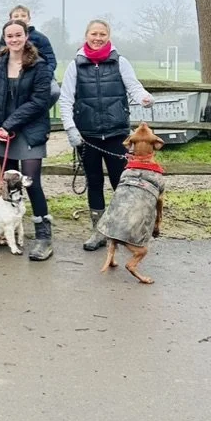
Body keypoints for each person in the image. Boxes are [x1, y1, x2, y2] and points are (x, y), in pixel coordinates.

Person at [59, 18, 153, 251]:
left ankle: (122, 229)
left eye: (102, 34)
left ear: (108, 36)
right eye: (94, 34)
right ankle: (99, 231)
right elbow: (66, 99)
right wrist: (71, 128)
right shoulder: (75, 65)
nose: (98, 38)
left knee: (120, 183)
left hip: (116, 134)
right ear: (86, 35)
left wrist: (144, 97)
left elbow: (133, 86)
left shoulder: (120, 62)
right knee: (94, 182)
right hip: (87, 136)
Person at [0, 19, 54, 261]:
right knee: (10, 184)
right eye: (9, 36)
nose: (14, 40)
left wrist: (8, 124)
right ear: (5, 38)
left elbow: (39, 102)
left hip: (30, 132)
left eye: (18, 35)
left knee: (31, 182)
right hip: (3, 134)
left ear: (26, 36)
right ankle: (12, 231)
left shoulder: (39, 66)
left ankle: (43, 236)